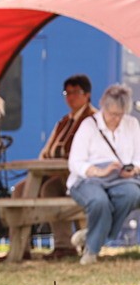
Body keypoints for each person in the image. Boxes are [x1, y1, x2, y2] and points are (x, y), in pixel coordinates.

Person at [67, 83, 140, 265]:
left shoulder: (132, 124)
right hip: (88, 179)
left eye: (119, 115)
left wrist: (133, 169)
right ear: (103, 107)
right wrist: (99, 171)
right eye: (112, 114)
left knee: (132, 194)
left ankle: (92, 236)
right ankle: (91, 251)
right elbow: (75, 162)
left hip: (121, 179)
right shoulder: (88, 126)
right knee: (99, 201)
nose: (115, 119)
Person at [25, 74, 96, 260]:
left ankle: (64, 245)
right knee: (20, 190)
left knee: (50, 189)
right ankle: (21, 247)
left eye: (75, 92)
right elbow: (46, 151)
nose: (70, 97)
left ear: (87, 95)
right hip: (53, 172)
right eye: (67, 92)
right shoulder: (63, 122)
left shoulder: (93, 120)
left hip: (78, 178)